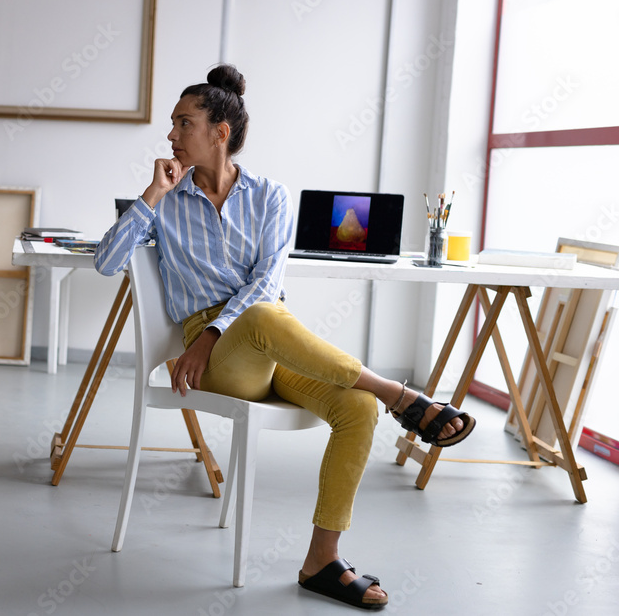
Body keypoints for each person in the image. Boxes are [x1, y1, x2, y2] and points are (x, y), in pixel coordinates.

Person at [94, 64, 475, 610]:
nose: (171, 134)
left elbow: (269, 279)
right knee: (267, 317)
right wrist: (152, 194)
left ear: (220, 132)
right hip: (218, 357)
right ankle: (404, 396)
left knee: (357, 409)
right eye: (172, 124)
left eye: (183, 122)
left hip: (263, 340)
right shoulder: (165, 202)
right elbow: (107, 263)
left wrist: (224, 328)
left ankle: (322, 559)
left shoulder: (270, 194)